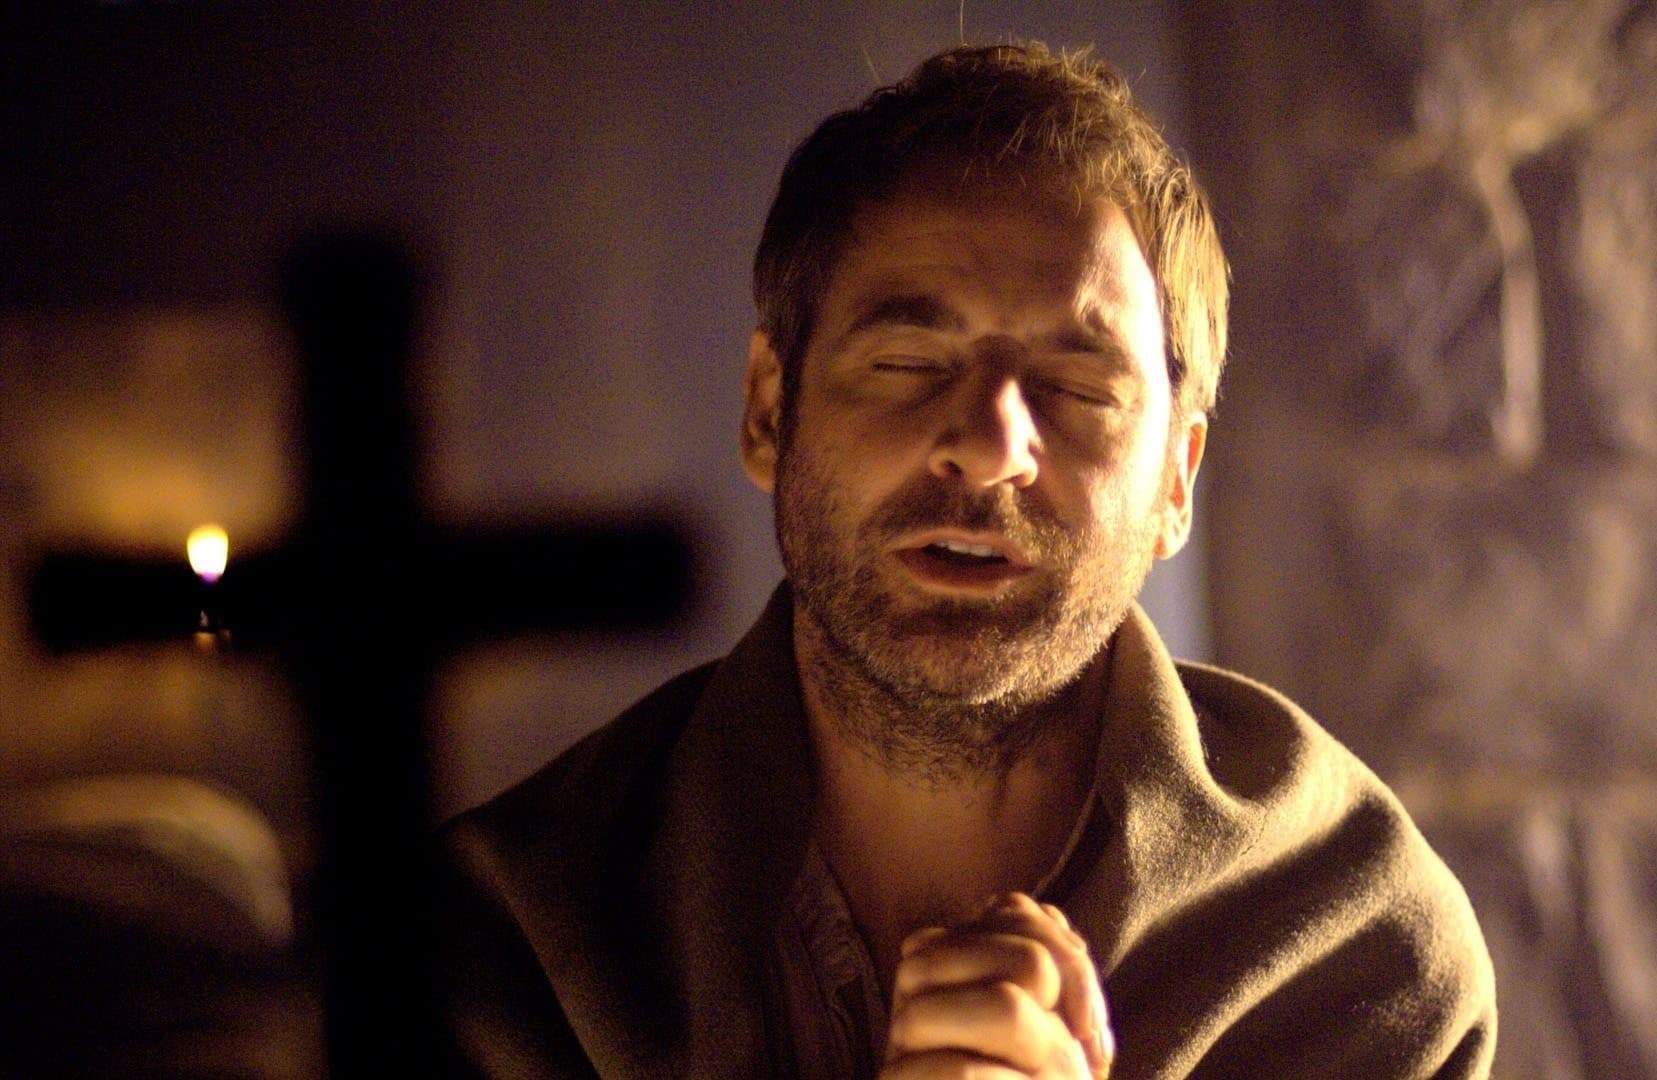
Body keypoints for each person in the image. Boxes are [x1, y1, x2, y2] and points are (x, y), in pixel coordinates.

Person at [441, 42, 1496, 1079]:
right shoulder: (509, 939)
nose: (991, 446)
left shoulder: (1356, 945)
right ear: (770, 411)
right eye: (907, 361)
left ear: (1178, 480)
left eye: (1077, 389)